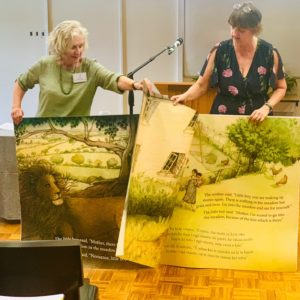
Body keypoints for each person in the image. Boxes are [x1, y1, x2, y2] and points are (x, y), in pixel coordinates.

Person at [11, 20, 150, 125]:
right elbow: (21, 83)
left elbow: (113, 79)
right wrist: (16, 107)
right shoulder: (44, 65)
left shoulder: (90, 68)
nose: (78, 51)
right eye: (73, 47)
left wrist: (136, 85)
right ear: (60, 47)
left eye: (81, 45)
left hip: (77, 132)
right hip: (44, 129)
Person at [171, 2, 287, 122]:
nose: (234, 33)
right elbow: (201, 85)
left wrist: (266, 107)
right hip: (223, 117)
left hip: (257, 119)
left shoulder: (269, 53)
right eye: (232, 27)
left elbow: (281, 88)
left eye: (241, 30)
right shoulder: (220, 51)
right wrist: (185, 96)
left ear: (254, 30)